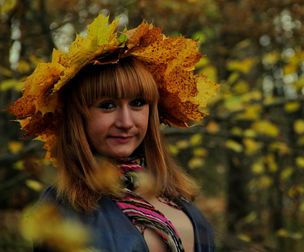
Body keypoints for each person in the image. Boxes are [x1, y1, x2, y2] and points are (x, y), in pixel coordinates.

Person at [10, 14, 218, 252]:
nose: (126, 122)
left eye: (138, 103)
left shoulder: (177, 198)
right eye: (107, 105)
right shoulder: (62, 211)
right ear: (78, 117)